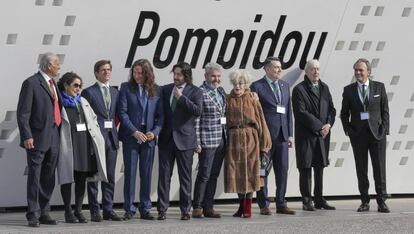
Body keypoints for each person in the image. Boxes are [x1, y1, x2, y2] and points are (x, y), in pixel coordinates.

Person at [17, 52, 61, 227]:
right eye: (57, 63)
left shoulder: (53, 84)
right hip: (36, 138)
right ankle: (32, 214)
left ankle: (44, 211)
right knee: (35, 176)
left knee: (48, 176)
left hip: (54, 137)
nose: (59, 66)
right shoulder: (31, 83)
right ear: (48, 65)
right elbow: (23, 113)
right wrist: (26, 135)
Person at [340, 58, 390, 213]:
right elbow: (344, 113)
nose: (358, 73)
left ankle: (381, 201)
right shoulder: (348, 90)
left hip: (377, 135)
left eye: (361, 70)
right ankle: (364, 201)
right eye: (356, 70)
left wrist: (385, 130)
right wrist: (349, 130)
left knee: (379, 169)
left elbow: (385, 111)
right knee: (361, 169)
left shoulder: (379, 88)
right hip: (358, 135)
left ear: (369, 71)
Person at [57, 72, 108, 223]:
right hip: (68, 144)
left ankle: (78, 211)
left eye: (80, 86)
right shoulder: (60, 102)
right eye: (75, 85)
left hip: (83, 144)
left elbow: (93, 120)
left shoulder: (83, 101)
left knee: (81, 179)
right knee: (66, 178)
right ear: (66, 85)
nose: (78, 89)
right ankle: (68, 211)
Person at [118, 59, 164, 220]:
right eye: (135, 72)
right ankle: (129, 209)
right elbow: (122, 113)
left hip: (149, 137)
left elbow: (161, 116)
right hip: (132, 136)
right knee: (130, 174)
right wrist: (134, 132)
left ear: (147, 73)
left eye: (140, 73)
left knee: (146, 174)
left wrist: (155, 132)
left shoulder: (157, 90)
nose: (137, 75)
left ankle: (145, 208)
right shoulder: (125, 87)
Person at [157, 62, 203, 221]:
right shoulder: (165, 89)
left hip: (185, 140)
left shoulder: (196, 91)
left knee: (185, 177)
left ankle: (185, 210)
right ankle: (162, 209)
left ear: (186, 76)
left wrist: (181, 98)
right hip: (166, 140)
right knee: (163, 177)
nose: (176, 77)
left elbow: (197, 111)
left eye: (179, 74)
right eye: (174, 74)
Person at [250, 57, 295, 215]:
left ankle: (281, 203)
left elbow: (288, 111)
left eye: (280, 67)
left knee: (282, 171)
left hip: (282, 136)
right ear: (267, 69)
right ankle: (264, 204)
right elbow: (253, 113)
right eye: (276, 67)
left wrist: (290, 134)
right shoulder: (257, 86)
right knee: (263, 171)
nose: (279, 70)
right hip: (265, 138)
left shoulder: (284, 86)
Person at [225, 69, 272, 218]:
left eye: (241, 83)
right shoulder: (227, 99)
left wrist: (265, 144)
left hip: (251, 138)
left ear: (246, 84)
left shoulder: (252, 99)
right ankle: (240, 206)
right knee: (237, 172)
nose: (237, 86)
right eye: (235, 83)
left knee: (251, 172)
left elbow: (261, 120)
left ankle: (248, 207)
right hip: (233, 139)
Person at [292, 60, 336, 211]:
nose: (316, 72)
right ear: (306, 72)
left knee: (319, 167)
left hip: (322, 136)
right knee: (305, 167)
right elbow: (301, 112)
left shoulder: (325, 88)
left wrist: (328, 125)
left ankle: (319, 199)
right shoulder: (299, 89)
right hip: (306, 135)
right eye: (312, 69)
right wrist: (320, 127)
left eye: (317, 69)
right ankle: (306, 200)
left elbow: (332, 109)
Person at [81, 60, 122, 221]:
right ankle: (94, 211)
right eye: (103, 70)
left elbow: (116, 116)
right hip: (95, 139)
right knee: (94, 176)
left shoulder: (115, 92)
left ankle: (108, 209)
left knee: (110, 176)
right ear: (96, 73)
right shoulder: (89, 92)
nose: (106, 72)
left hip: (111, 139)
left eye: (109, 69)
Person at [192, 63, 226, 218]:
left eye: (218, 76)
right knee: (204, 175)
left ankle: (209, 207)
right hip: (207, 140)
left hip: (221, 140)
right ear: (206, 76)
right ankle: (198, 206)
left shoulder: (221, 91)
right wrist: (197, 141)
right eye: (213, 76)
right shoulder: (200, 92)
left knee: (214, 175)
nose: (216, 79)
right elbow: (196, 119)